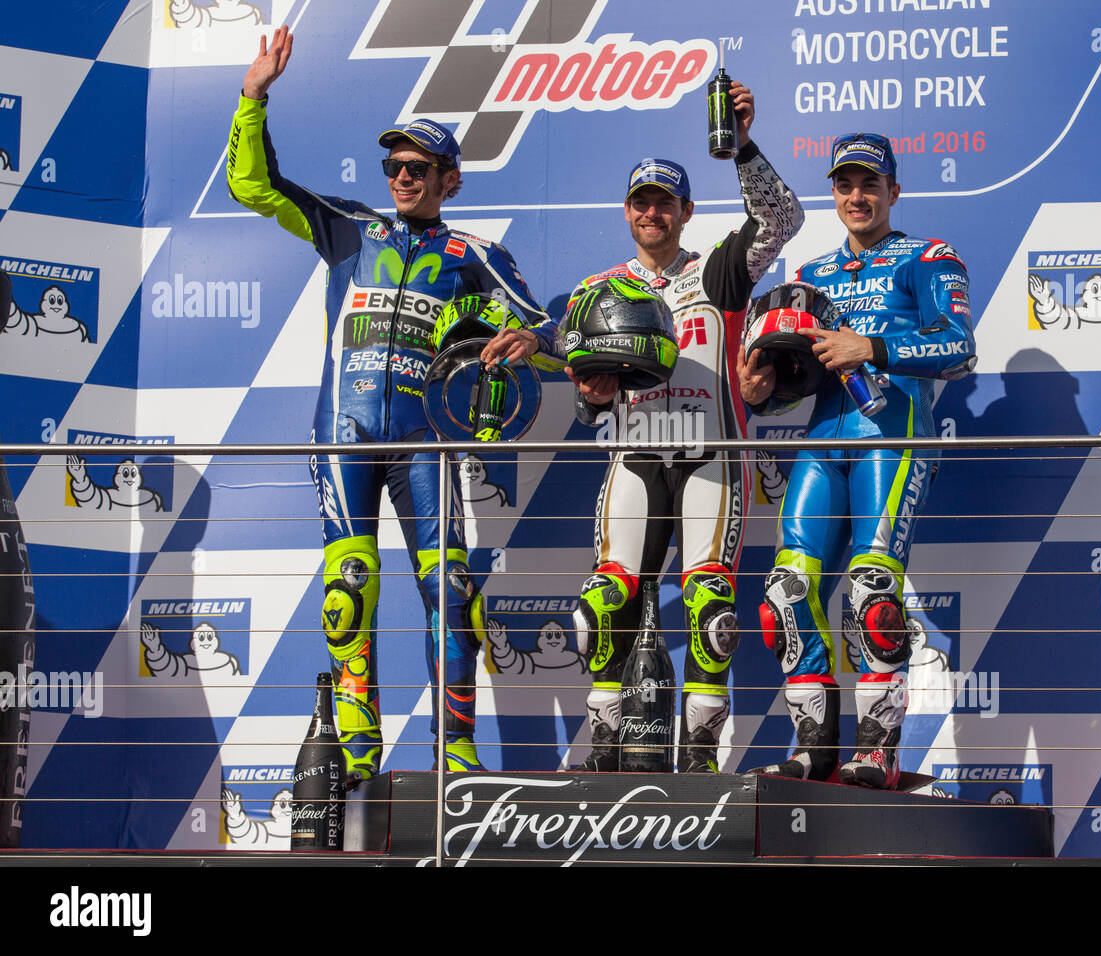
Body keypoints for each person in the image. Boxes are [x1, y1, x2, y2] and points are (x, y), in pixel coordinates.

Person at [228, 27, 560, 781]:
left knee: (451, 589)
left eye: (418, 168)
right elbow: (253, 186)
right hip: (343, 433)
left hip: (425, 441)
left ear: (450, 180)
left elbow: (548, 325)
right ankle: (358, 759)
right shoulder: (348, 226)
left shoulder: (473, 253)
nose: (402, 177)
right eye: (394, 166)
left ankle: (459, 753)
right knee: (348, 592)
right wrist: (254, 95)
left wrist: (525, 343)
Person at [566, 81, 803, 772]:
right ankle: (605, 747)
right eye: (641, 202)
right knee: (607, 598)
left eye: (664, 203)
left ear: (685, 211)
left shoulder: (720, 271)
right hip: (634, 455)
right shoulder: (597, 291)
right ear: (627, 212)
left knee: (709, 606)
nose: (652, 213)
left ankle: (700, 759)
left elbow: (783, 219)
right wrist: (590, 397)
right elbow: (590, 402)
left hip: (711, 456)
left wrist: (745, 145)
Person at [740, 133, 976, 788]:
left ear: (893, 192)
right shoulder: (808, 276)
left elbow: (959, 348)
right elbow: (789, 377)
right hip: (821, 442)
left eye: (870, 184)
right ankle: (816, 749)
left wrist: (868, 346)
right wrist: (761, 391)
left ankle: (877, 750)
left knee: (873, 593)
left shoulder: (928, 256)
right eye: (845, 184)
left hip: (891, 438)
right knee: (785, 595)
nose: (857, 196)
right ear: (834, 193)